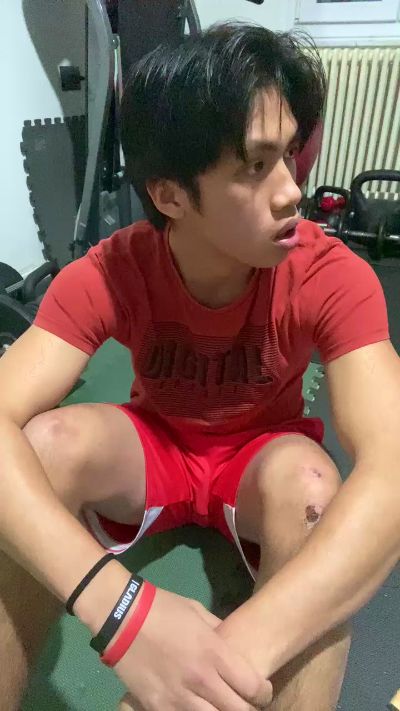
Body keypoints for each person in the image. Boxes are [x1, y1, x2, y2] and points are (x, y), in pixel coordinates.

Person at [0, 21, 399, 711]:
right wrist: (123, 614)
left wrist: (213, 668)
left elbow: (393, 465)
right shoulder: (111, 271)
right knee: (45, 444)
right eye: (255, 166)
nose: (292, 192)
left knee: (316, 493)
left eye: (290, 157)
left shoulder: (332, 274)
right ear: (171, 196)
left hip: (260, 458)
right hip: (157, 448)